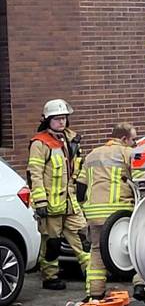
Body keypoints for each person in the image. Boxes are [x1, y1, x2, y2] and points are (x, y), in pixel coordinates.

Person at [83, 122, 145, 306]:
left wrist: (84, 208)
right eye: (133, 139)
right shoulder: (128, 154)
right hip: (119, 212)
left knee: (96, 251)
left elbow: (80, 186)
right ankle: (141, 285)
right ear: (124, 139)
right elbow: (142, 183)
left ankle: (95, 294)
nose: (135, 143)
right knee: (136, 248)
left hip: (94, 212)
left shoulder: (92, 154)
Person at [28, 99, 90, 290]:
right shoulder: (40, 144)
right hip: (51, 205)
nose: (61, 122)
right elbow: (34, 174)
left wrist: (81, 187)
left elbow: (79, 167)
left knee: (82, 236)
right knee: (52, 243)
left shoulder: (72, 140)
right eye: (57, 119)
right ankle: (50, 277)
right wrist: (40, 202)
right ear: (48, 121)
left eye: (64, 118)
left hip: (70, 202)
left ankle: (92, 274)